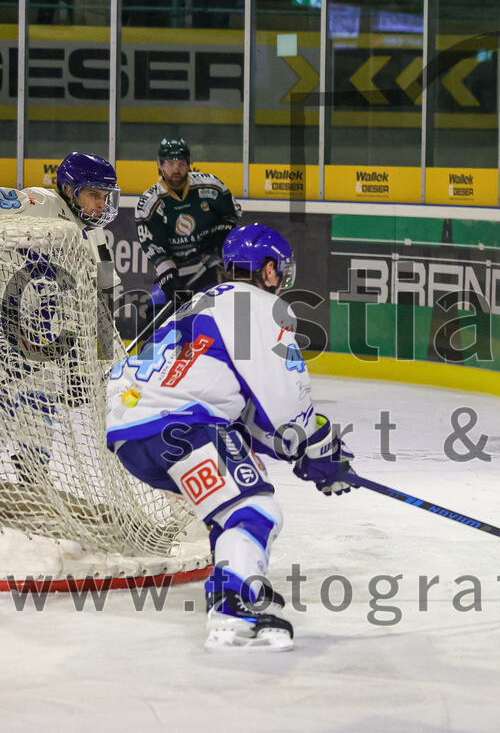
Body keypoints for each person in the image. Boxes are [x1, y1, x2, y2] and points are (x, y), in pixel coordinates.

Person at [106, 223, 354, 652]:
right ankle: (232, 615)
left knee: (231, 500)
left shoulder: (201, 302)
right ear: (270, 270)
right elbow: (286, 406)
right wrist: (321, 449)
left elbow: (252, 420)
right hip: (183, 427)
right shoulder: (260, 307)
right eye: (282, 272)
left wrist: (298, 450)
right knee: (255, 509)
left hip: (131, 434)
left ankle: (243, 582)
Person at [1, 152, 121, 484]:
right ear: (69, 190)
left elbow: (105, 300)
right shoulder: (41, 202)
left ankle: (32, 474)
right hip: (6, 319)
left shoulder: (95, 237)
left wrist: (92, 366)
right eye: (93, 194)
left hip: (35, 335)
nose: (100, 204)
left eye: (105, 196)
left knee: (41, 392)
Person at [135, 137, 241, 324]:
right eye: (170, 163)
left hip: (209, 267)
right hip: (176, 271)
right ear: (159, 165)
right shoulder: (150, 204)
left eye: (181, 163)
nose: (176, 169)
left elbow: (233, 213)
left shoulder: (212, 187)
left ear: (189, 164)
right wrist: (170, 281)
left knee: (215, 317)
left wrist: (220, 232)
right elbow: (157, 252)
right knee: (155, 319)